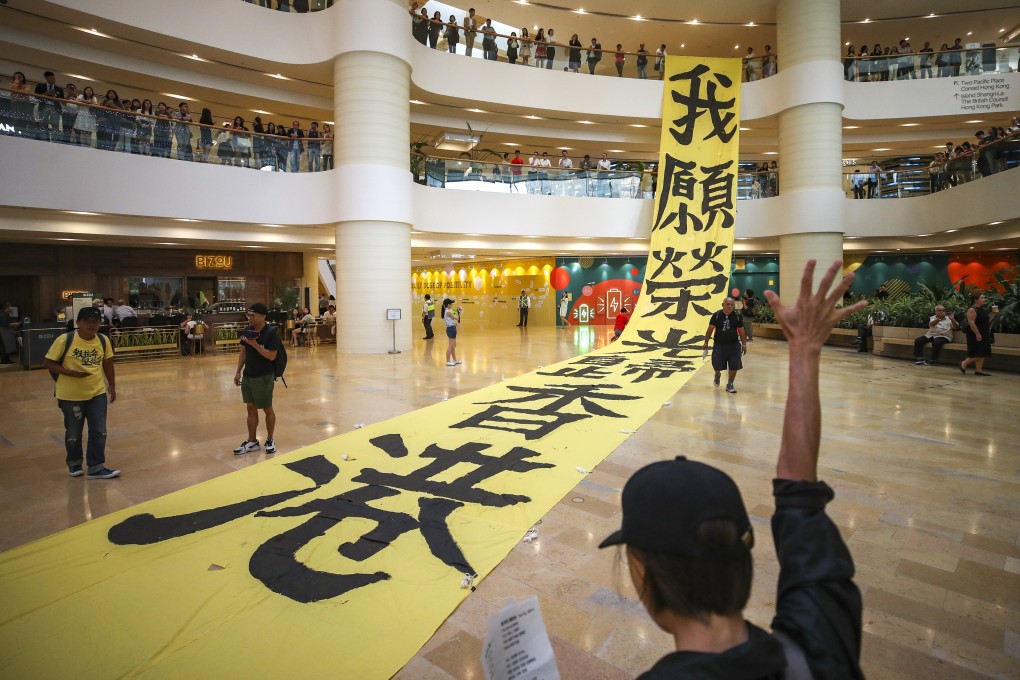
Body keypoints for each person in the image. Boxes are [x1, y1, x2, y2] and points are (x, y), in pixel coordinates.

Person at [599, 260, 866, 680]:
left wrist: (805, 352)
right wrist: (805, 351)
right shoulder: (818, 648)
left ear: (641, 575)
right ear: (745, 562)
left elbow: (801, 501)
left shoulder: (821, 626)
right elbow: (801, 498)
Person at [42, 306, 120, 479]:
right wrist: (71, 373)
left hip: (97, 393)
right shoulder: (65, 340)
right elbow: (48, 362)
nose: (92, 325)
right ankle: (74, 463)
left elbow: (108, 363)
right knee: (74, 433)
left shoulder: (103, 340)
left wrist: (112, 386)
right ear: (78, 322)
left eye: (96, 321)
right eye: (87, 321)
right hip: (70, 395)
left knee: (99, 431)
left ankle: (96, 466)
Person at [233, 303, 282, 455]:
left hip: (264, 376)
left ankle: (270, 439)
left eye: (252, 315)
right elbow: (243, 352)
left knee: (267, 409)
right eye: (248, 315)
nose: (249, 318)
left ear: (263, 317)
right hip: (248, 375)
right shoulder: (247, 330)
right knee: (250, 407)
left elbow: (272, 356)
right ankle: (252, 441)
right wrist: (238, 372)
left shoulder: (270, 333)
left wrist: (255, 344)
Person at [703, 297, 747, 394]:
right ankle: (717, 374)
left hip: (734, 345)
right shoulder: (717, 315)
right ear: (723, 305)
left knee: (734, 365)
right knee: (717, 364)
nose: (730, 306)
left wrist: (744, 344)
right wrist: (706, 342)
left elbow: (741, 330)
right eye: (728, 304)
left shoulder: (737, 316)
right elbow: (710, 329)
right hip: (719, 345)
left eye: (732, 305)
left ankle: (730, 383)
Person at [960, 292, 997, 376]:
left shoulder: (982, 310)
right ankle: (964, 363)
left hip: (984, 332)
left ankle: (979, 370)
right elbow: (971, 323)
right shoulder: (972, 309)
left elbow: (987, 321)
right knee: (977, 352)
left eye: (984, 298)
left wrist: (993, 314)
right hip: (974, 333)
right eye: (982, 298)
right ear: (976, 300)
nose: (984, 299)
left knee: (983, 352)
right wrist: (977, 334)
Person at [34, 71, 64, 142]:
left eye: (54, 78)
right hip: (44, 106)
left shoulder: (59, 89)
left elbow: (62, 99)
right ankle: (44, 140)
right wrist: (46, 94)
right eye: (51, 78)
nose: (53, 80)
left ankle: (54, 141)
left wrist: (55, 96)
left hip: (55, 107)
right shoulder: (40, 86)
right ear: (46, 78)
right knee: (43, 124)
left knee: (55, 125)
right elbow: (36, 96)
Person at [442, 298, 462, 367]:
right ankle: (448, 361)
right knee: (451, 346)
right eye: (451, 303)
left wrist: (455, 323)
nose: (452, 305)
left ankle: (455, 360)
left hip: (452, 328)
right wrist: (459, 312)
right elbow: (457, 318)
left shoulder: (448, 311)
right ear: (448, 304)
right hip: (451, 329)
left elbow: (451, 320)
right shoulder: (448, 312)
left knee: (453, 345)